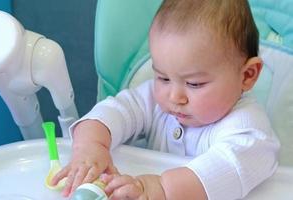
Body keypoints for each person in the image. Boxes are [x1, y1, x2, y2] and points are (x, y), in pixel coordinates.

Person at [52, 0, 280, 199]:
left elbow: (227, 169)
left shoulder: (250, 133)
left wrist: (159, 189)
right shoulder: (153, 99)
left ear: (247, 75)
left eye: (194, 84)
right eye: (162, 77)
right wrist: (92, 145)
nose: (174, 97)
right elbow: (115, 111)